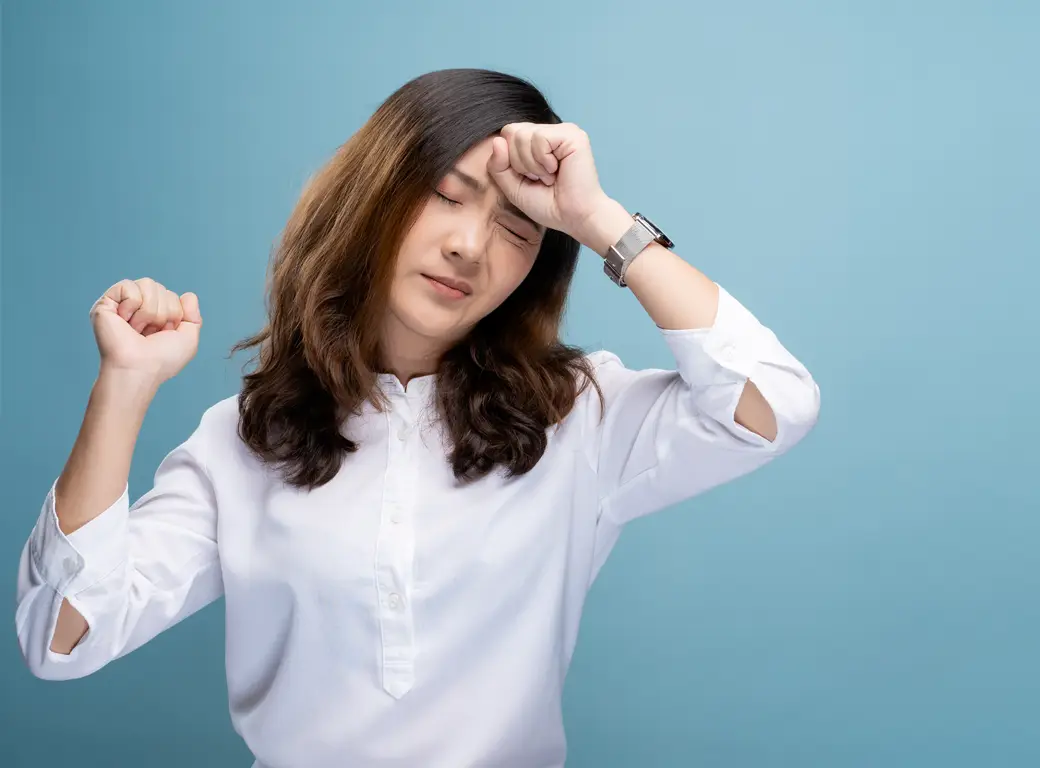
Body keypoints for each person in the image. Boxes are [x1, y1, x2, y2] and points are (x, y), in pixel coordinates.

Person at [15, 68, 820, 767]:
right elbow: (61, 639)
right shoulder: (246, 439)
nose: (470, 245)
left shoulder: (578, 416)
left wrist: (599, 219)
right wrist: (124, 385)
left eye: (518, 227)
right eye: (446, 196)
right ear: (376, 195)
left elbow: (776, 404)